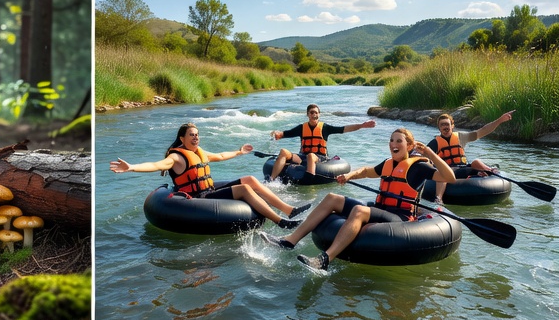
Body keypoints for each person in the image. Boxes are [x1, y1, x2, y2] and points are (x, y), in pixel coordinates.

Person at [256, 128, 456, 271]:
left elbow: (450, 177)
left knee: (359, 211)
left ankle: (325, 259)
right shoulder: (388, 163)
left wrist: (431, 154)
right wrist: (350, 176)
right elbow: (367, 171)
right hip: (382, 210)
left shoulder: (418, 167)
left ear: (410, 146)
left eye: (398, 141)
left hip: (401, 218)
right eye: (391, 140)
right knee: (332, 198)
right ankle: (289, 241)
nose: (393, 144)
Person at [109, 123, 308, 227]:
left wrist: (239, 151)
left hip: (208, 190)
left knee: (251, 179)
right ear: (182, 138)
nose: (195, 137)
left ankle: (288, 210)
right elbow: (155, 164)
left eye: (197, 134)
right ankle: (280, 222)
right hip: (196, 198)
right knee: (244, 188)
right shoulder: (177, 158)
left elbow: (221, 155)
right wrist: (131, 167)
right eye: (191, 135)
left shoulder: (199, 153)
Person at [266, 104, 376, 181]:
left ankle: (309, 179)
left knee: (311, 156)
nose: (314, 115)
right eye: (312, 112)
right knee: (284, 151)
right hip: (302, 157)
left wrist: (362, 125)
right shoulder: (301, 128)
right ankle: (272, 180)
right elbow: (284, 134)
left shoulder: (325, 128)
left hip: (320, 158)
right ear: (308, 114)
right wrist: (276, 134)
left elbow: (344, 129)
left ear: (319, 114)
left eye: (316, 113)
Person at [427, 110, 513, 178]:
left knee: (476, 162)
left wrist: (500, 120)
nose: (445, 127)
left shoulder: (461, 137)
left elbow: (482, 131)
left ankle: (490, 170)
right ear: (439, 128)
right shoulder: (435, 143)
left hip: (464, 167)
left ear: (452, 126)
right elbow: (423, 156)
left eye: (447, 124)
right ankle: (479, 172)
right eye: (442, 125)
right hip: (449, 171)